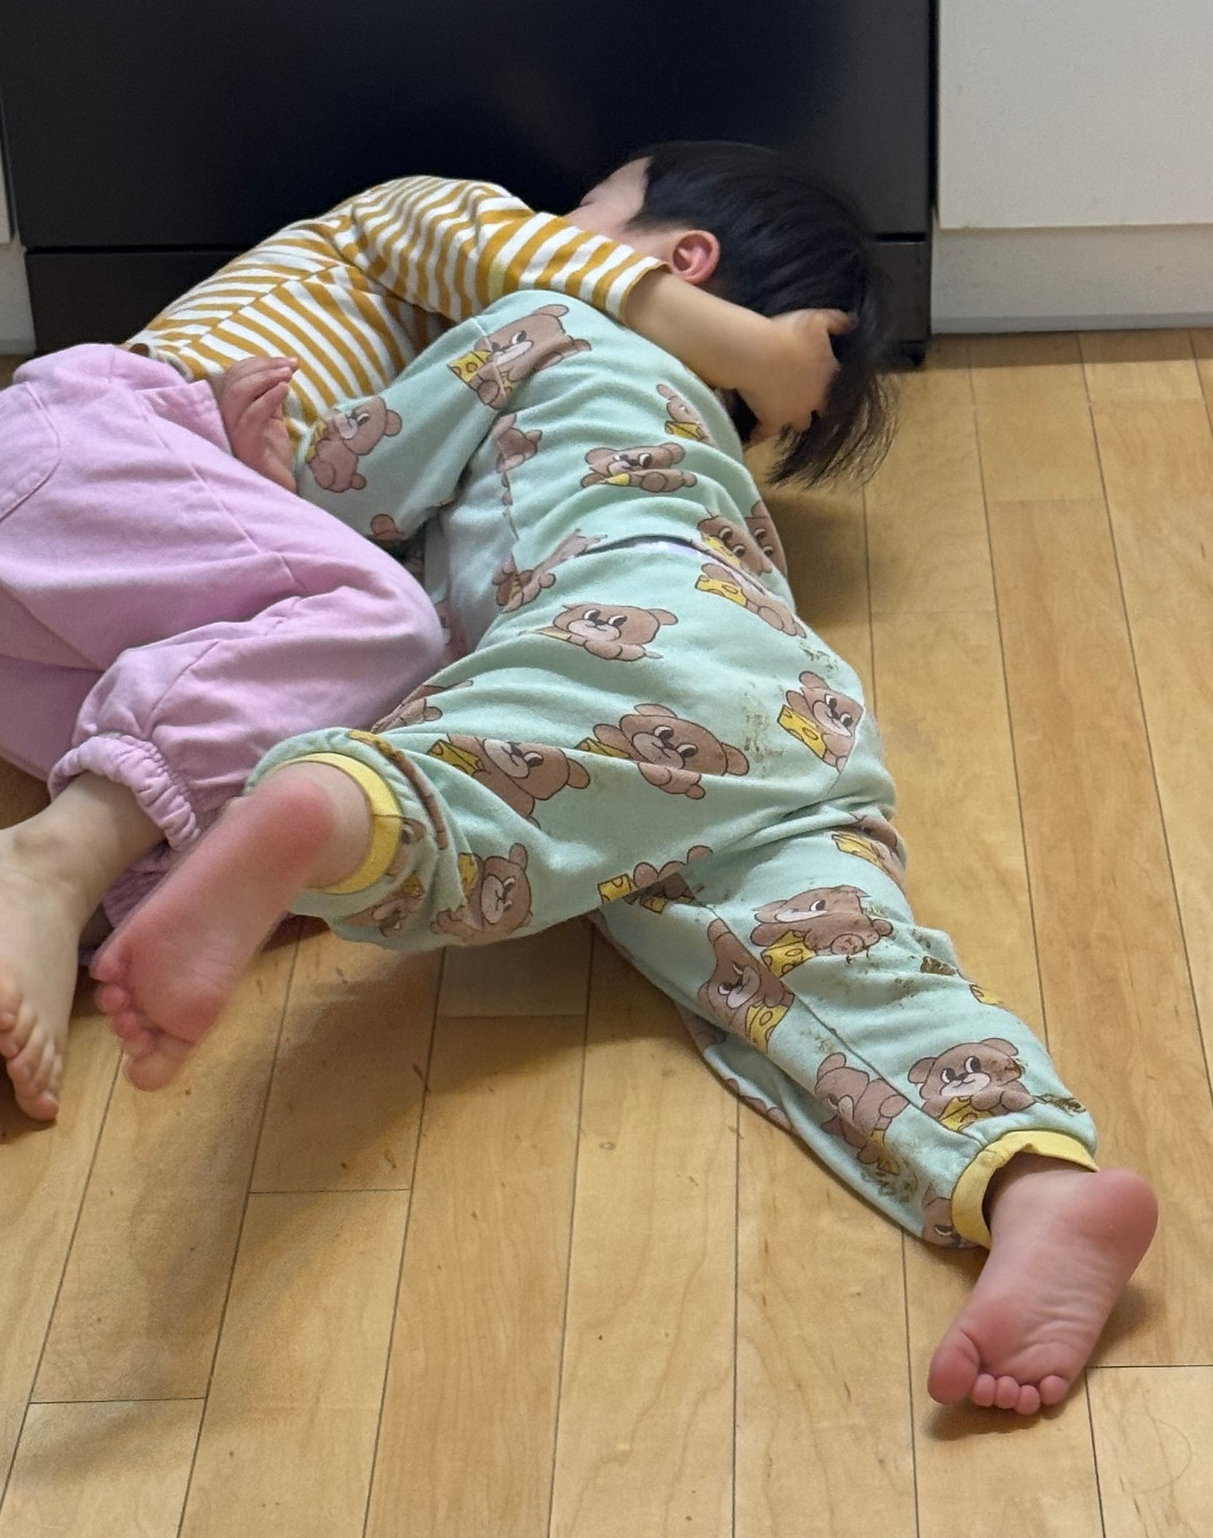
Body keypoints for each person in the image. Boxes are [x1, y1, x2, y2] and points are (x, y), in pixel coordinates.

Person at [90, 284, 1156, 1419]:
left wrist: (271, 471)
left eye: (591, 205)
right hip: (794, 706)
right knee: (839, 953)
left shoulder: (549, 319)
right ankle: (1035, 1175)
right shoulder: (714, 470)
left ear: (686, 256)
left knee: (473, 791)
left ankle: (333, 802)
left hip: (615, 627)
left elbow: (354, 481)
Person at [0, 144, 860, 1120]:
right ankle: (50, 863)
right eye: (588, 203)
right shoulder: (420, 218)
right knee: (393, 635)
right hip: (89, 447)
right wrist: (755, 354)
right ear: (684, 259)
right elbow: (543, 262)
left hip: (26, 646)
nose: (560, 213)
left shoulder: (486, 427)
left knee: (305, 797)